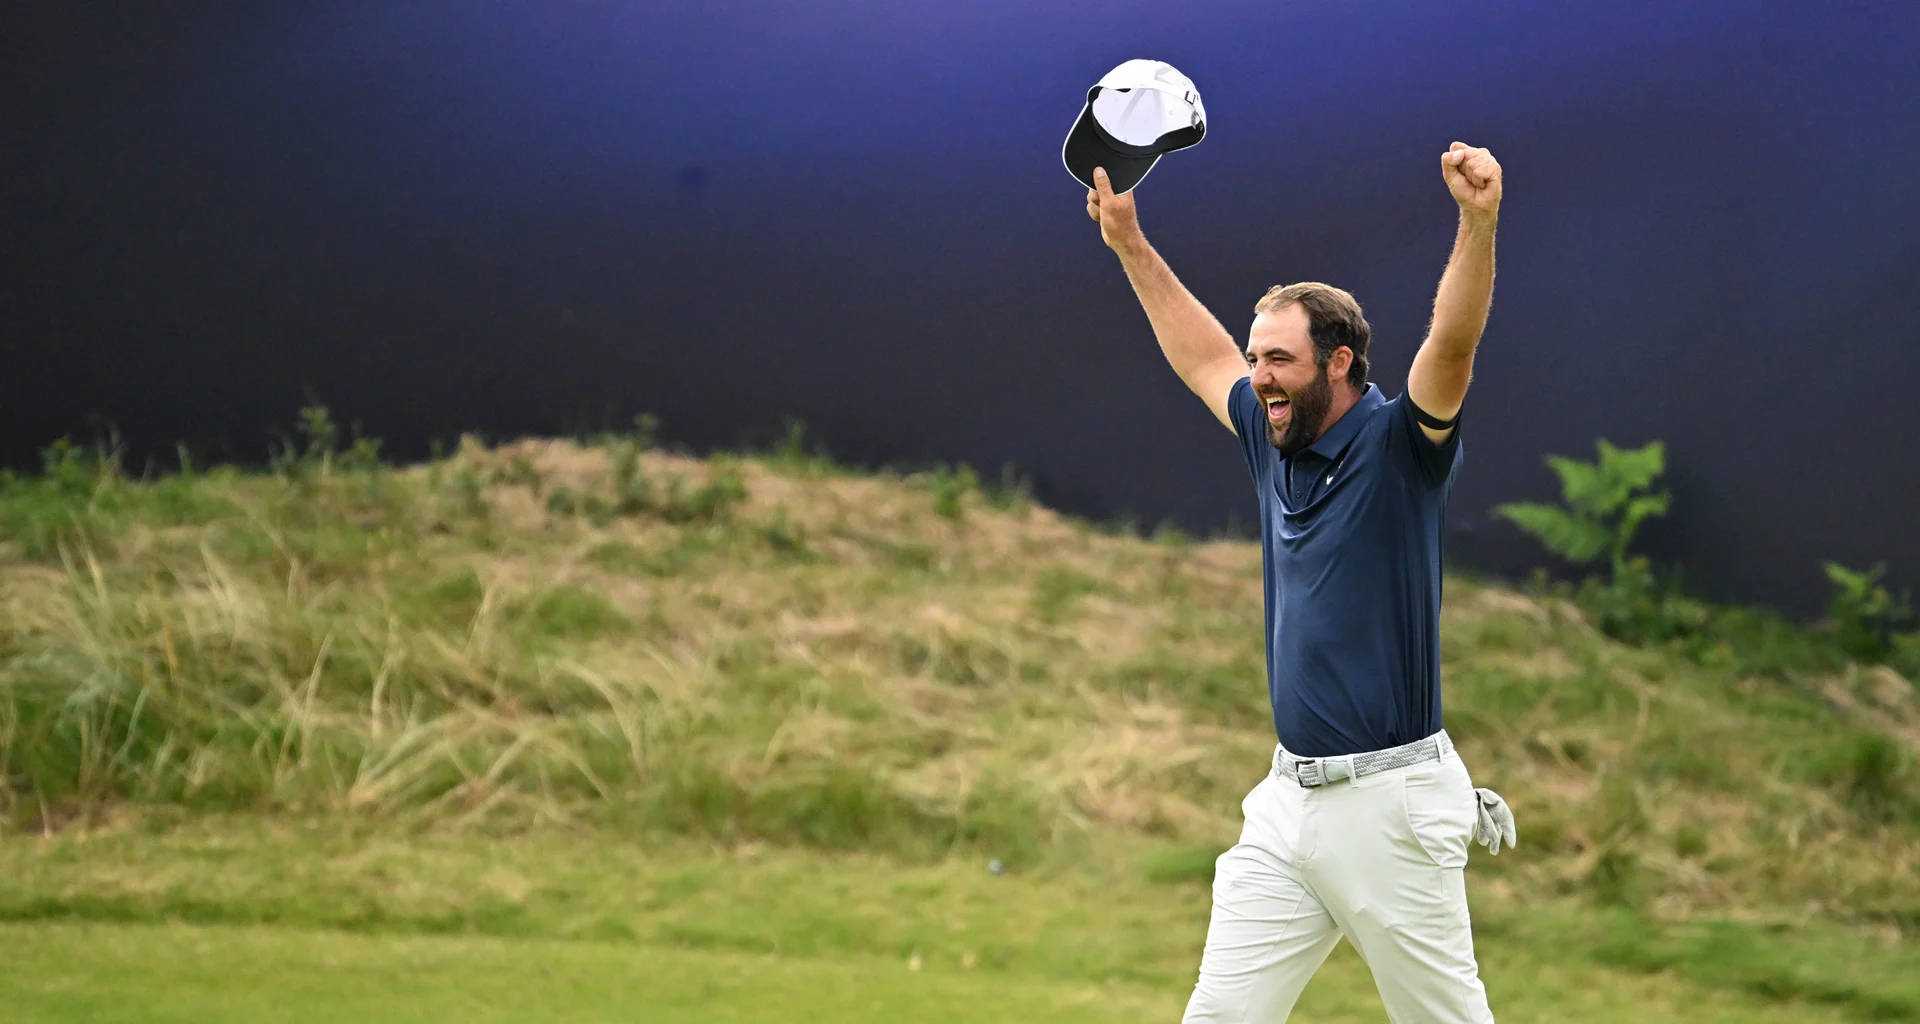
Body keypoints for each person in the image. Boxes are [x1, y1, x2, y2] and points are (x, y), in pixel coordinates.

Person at [1084, 142, 1515, 1023]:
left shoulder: (1402, 448)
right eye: (1258, 358)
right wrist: (1130, 243)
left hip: (1391, 809)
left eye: (1278, 359)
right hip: (1288, 805)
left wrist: (1478, 223)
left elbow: (1455, 343)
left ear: (1341, 364)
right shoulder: (1269, 432)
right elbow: (1201, 355)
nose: (1258, 378)